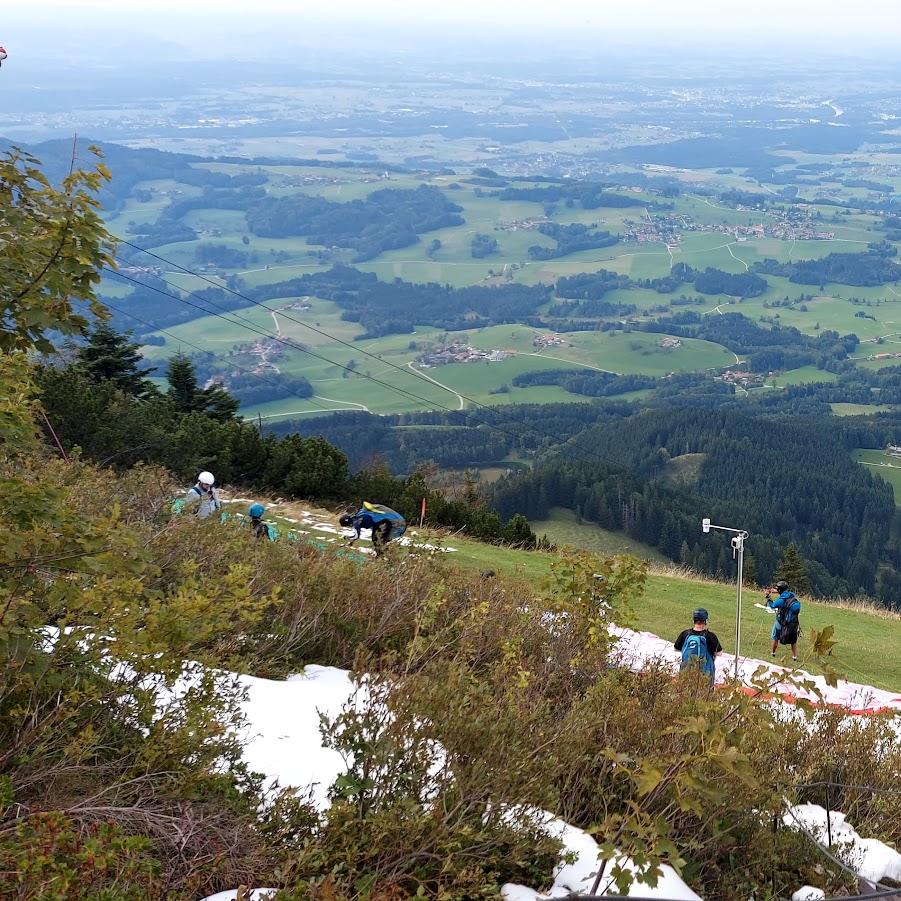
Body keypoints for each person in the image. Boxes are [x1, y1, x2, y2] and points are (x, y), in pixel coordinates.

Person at [674, 607, 723, 685]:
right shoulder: (710, 636)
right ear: (705, 621)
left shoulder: (685, 634)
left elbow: (676, 648)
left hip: (686, 672)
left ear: (694, 620)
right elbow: (719, 653)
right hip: (704, 674)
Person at [339, 502, 406, 557]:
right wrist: (351, 543)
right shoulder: (357, 516)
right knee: (378, 540)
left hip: (383, 523)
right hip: (383, 523)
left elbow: (356, 536)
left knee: (377, 540)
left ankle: (382, 557)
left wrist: (345, 537)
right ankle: (385, 556)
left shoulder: (356, 522)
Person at [766, 580, 801, 661]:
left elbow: (773, 605)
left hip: (781, 622)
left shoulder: (781, 601)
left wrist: (768, 596)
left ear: (779, 590)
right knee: (793, 640)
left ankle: (773, 653)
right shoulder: (792, 595)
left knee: (775, 636)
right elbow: (784, 594)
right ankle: (794, 657)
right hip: (792, 622)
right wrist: (775, 591)